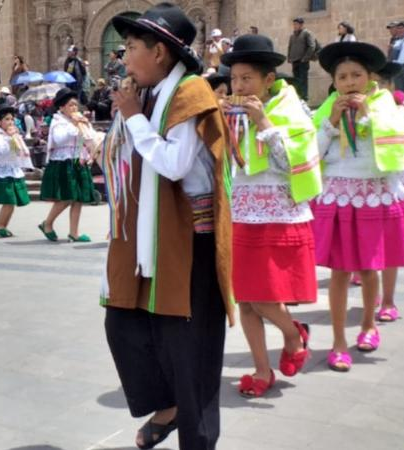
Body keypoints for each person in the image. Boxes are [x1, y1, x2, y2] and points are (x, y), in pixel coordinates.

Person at [101, 4, 234, 449]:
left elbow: (174, 165)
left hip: (187, 243)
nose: (124, 57)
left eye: (132, 47)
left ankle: (196, 438)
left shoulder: (191, 93)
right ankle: (169, 405)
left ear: (159, 52)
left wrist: (133, 116)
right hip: (151, 238)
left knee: (190, 352)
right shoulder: (152, 93)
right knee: (123, 323)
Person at [312, 41, 404, 372]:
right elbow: (312, 154)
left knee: (368, 269)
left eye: (356, 75)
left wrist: (370, 119)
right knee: (339, 272)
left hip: (372, 196)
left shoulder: (384, 108)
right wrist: (329, 124)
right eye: (343, 77)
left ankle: (368, 324)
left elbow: (403, 147)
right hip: (338, 197)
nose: (350, 82)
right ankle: (337, 342)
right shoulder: (325, 110)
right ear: (334, 82)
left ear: (370, 78)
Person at [220, 34, 321, 398]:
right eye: (234, 79)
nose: (239, 86)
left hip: (278, 214)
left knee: (264, 295)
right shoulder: (232, 114)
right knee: (246, 298)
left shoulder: (294, 112)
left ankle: (293, 333)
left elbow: (292, 165)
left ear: (268, 79)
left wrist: (263, 123)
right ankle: (262, 370)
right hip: (241, 213)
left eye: (247, 78)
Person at [38, 88, 100, 243]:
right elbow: (59, 139)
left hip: (78, 160)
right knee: (66, 197)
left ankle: (74, 232)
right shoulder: (57, 121)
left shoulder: (78, 121)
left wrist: (86, 126)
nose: (74, 108)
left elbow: (90, 138)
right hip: (63, 162)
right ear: (62, 107)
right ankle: (48, 223)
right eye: (71, 105)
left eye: (75, 105)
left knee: (78, 198)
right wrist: (74, 125)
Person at [0, 105, 32, 237]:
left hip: (13, 169)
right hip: (2, 171)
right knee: (9, 201)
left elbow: (20, 151)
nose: (10, 122)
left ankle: (1, 224)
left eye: (12, 119)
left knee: (12, 202)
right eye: (7, 119)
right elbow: (0, 151)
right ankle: (0, 225)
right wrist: (10, 138)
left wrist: (16, 139)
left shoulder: (13, 134)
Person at [287, 17, 317, 101]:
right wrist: (289, 57)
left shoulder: (307, 33)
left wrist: (305, 58)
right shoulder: (292, 36)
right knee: (296, 80)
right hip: (294, 61)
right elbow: (290, 47)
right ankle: (297, 97)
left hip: (303, 61)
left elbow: (312, 46)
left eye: (296, 24)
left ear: (301, 25)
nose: (294, 26)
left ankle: (304, 98)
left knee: (303, 80)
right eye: (294, 24)